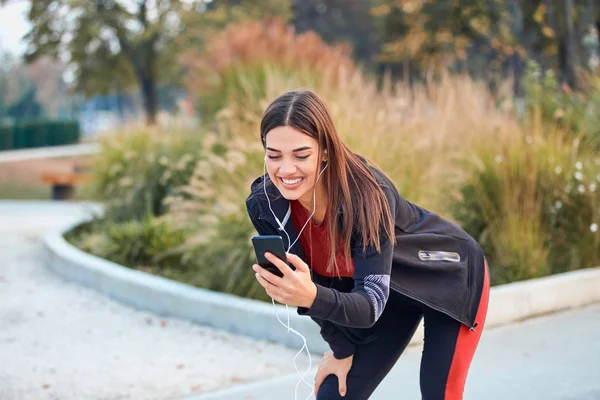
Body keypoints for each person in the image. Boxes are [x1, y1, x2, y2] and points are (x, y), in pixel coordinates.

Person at [245, 89, 490, 400]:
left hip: (449, 278)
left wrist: (311, 295)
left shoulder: (367, 196)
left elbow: (361, 302)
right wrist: (341, 347)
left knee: (439, 393)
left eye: (301, 155)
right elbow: (311, 287)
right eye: (274, 155)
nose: (286, 170)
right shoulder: (266, 205)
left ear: (324, 151)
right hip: (383, 299)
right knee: (335, 395)